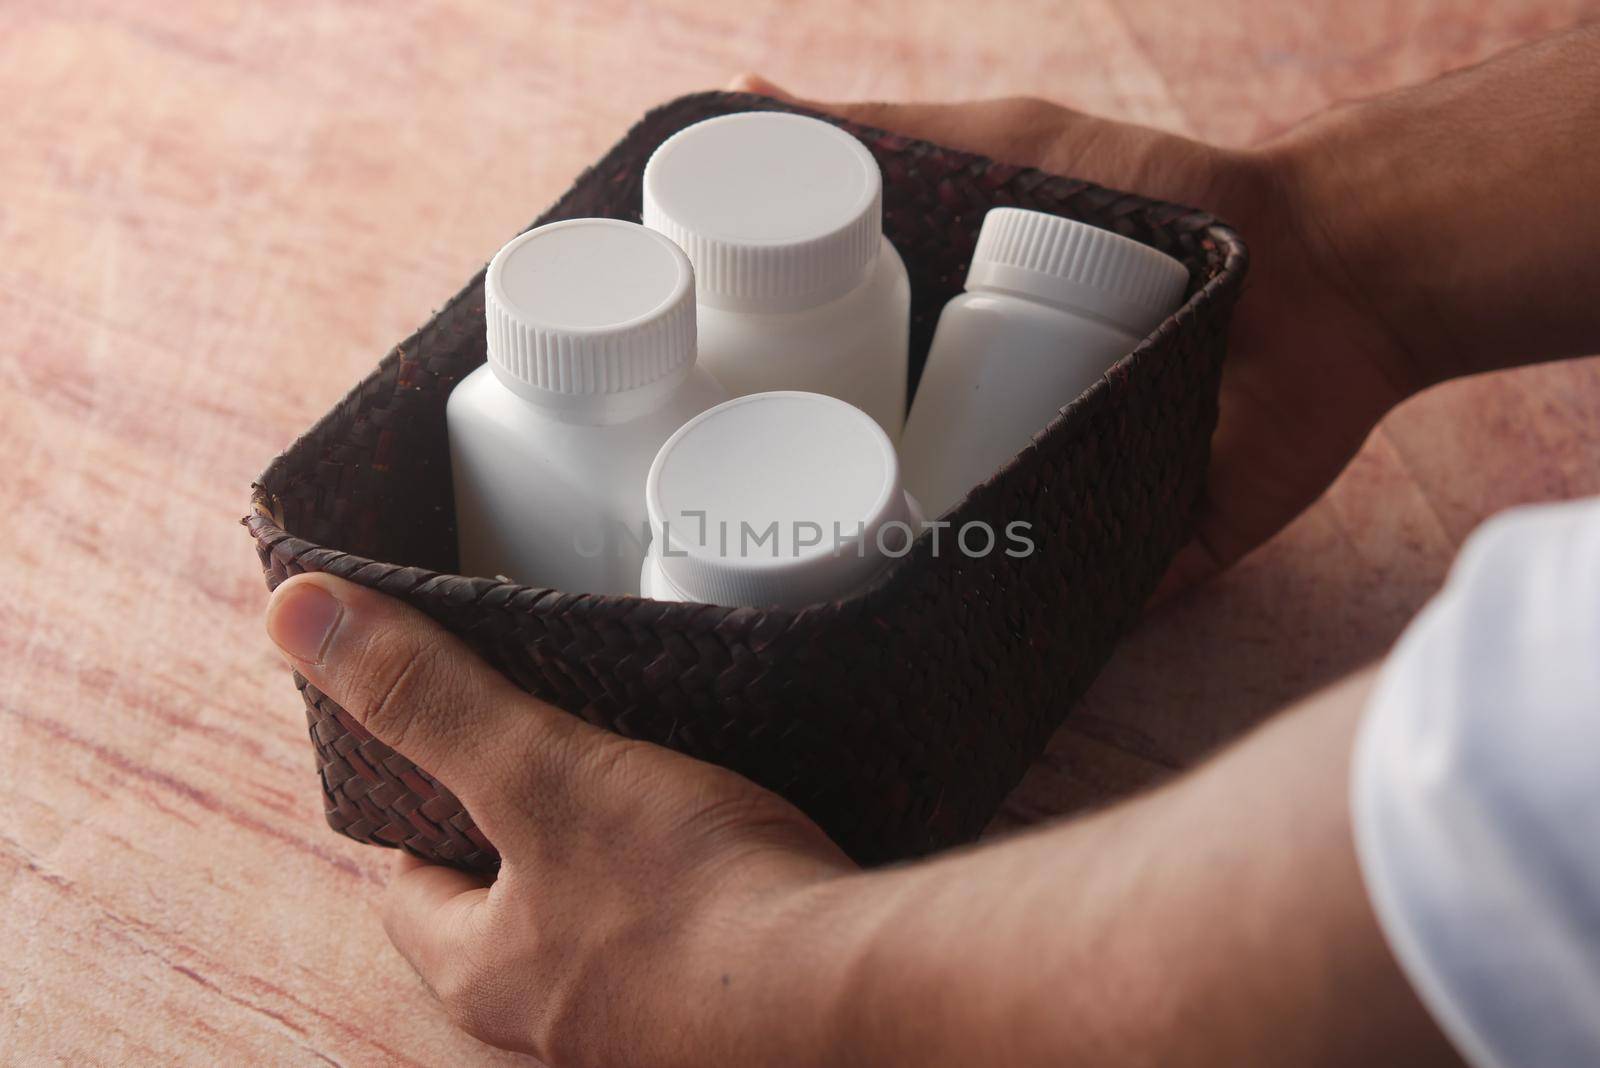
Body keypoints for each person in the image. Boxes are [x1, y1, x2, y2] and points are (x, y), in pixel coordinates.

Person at [263, 24, 1600, 1067]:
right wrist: (1327, 247)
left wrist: (783, 985)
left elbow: (1501, 843)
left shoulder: (785, 392)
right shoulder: (543, 410)